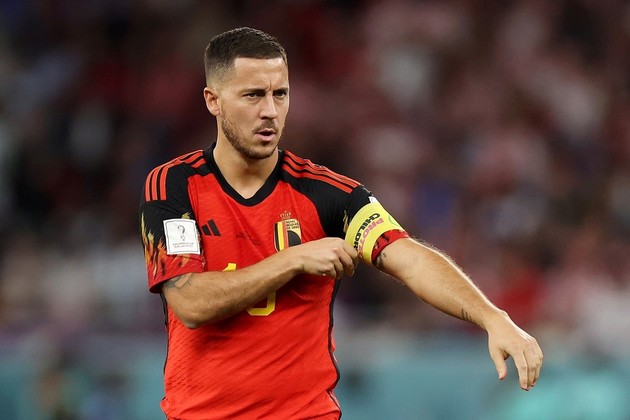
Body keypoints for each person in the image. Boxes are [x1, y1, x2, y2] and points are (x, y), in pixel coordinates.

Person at [139, 26, 543, 419]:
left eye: (280, 94)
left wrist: (492, 316)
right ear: (213, 100)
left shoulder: (329, 194)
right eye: (253, 95)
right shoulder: (173, 186)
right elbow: (190, 302)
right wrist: (293, 259)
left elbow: (409, 258)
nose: (270, 111)